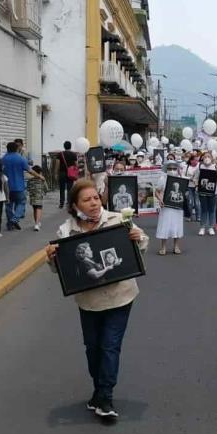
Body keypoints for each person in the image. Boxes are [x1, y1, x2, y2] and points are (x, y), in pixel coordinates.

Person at [45, 179, 148, 419]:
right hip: (88, 300)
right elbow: (60, 269)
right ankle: (98, 390)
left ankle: (106, 397)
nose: (93, 203)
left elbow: (141, 245)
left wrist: (137, 238)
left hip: (120, 296)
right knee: (92, 347)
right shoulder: (66, 231)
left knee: (110, 346)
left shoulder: (117, 220)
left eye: (95, 197)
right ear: (75, 205)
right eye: (86, 199)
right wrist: (51, 257)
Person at [3, 142, 42, 231]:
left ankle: (10, 223)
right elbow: (30, 170)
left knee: (8, 205)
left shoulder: (3, 159)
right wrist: (39, 176)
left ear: (7, 149)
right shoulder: (20, 159)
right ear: (17, 149)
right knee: (21, 203)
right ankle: (14, 219)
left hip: (6, 187)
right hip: (18, 186)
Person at [155, 161, 184, 255]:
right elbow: (157, 191)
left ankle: (176, 246)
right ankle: (163, 247)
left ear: (177, 169)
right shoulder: (162, 178)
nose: (172, 170)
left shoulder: (181, 179)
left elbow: (184, 192)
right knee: (165, 225)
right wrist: (160, 200)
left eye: (174, 169)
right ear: (166, 169)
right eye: (170, 169)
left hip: (177, 206)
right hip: (166, 206)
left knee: (177, 225)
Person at [194, 152, 217, 236]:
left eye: (209, 156)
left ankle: (211, 227)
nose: (207, 158)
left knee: (212, 210)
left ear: (212, 158)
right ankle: (202, 227)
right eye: (205, 157)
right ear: (202, 158)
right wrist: (197, 185)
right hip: (203, 192)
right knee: (204, 210)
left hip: (214, 192)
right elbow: (196, 178)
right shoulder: (200, 167)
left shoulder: (215, 167)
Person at [27, 165, 49, 232]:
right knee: (39, 208)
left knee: (34, 209)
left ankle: (37, 223)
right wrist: (44, 192)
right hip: (39, 196)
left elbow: (28, 188)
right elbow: (46, 188)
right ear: (40, 172)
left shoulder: (30, 180)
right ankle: (37, 224)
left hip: (32, 197)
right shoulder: (42, 179)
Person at [57, 141, 77, 209]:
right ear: (70, 146)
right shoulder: (73, 154)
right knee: (69, 189)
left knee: (62, 189)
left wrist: (56, 173)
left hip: (62, 173)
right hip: (70, 174)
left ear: (64, 146)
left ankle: (61, 203)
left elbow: (57, 164)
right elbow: (76, 164)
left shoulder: (60, 154)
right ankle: (68, 203)